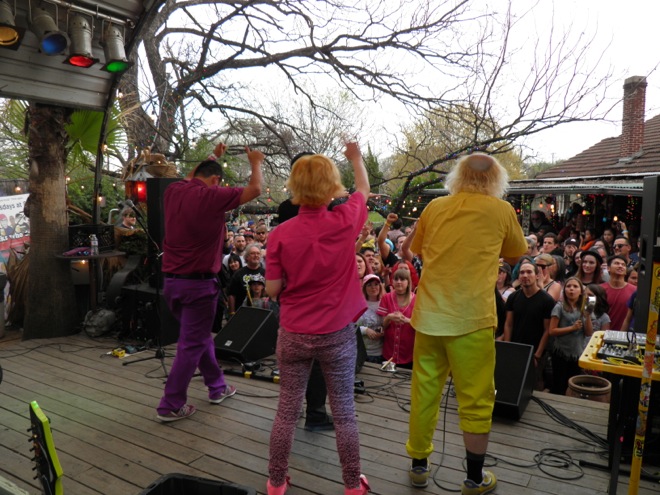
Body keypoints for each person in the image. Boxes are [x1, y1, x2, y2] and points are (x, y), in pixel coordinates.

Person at [405, 152, 527, 494]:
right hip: (472, 319)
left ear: (457, 175)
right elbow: (515, 254)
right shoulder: (502, 210)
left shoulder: (434, 207)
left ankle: (418, 467)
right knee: (476, 398)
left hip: (429, 315)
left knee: (424, 392)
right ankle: (474, 479)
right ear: (496, 179)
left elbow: (420, 249)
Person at [265, 141, 371, 495]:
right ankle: (352, 484)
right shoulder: (345, 220)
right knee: (344, 412)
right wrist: (355, 157)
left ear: (294, 186)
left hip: (293, 332)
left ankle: (276, 482)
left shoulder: (279, 234)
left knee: (286, 412)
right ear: (331, 187)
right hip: (336, 333)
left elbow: (272, 289)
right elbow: (363, 189)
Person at [156, 142, 263, 422]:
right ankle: (170, 404)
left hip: (172, 283)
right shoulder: (212, 196)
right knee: (190, 344)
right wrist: (255, 162)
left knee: (199, 336)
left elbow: (193, 175)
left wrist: (214, 155)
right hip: (198, 286)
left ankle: (217, 387)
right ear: (216, 180)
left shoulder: (173, 191)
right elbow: (255, 189)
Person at [501, 258, 555, 390]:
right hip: (516, 347)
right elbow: (508, 324)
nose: (525, 275)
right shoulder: (513, 297)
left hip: (535, 350)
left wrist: (537, 355)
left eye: (529, 272)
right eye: (522, 272)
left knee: (533, 385)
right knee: (511, 383)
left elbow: (547, 330)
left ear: (537, 275)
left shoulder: (546, 300)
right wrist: (508, 347)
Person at [549, 277, 593, 395]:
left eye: (575, 286)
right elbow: (552, 331)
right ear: (564, 290)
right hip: (561, 353)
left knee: (573, 385)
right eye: (568, 286)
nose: (571, 289)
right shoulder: (559, 307)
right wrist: (571, 328)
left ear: (581, 291)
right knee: (559, 385)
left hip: (577, 353)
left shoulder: (584, 308)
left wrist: (588, 316)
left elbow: (589, 333)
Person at [377, 268, 416, 368]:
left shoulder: (416, 300)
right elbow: (382, 326)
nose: (399, 282)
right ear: (392, 281)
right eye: (396, 279)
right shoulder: (386, 298)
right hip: (388, 352)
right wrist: (389, 317)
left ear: (408, 282)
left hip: (408, 353)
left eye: (402, 279)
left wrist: (407, 320)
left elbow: (421, 324)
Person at [601, 255, 636, 330]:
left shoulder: (635, 291)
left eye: (623, 265)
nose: (620, 266)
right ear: (608, 268)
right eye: (616, 263)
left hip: (626, 334)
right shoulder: (600, 289)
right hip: (603, 333)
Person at [357, 273, 385, 363]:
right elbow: (351, 327)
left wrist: (382, 330)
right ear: (364, 288)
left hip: (380, 352)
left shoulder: (384, 303)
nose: (373, 287)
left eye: (376, 284)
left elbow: (388, 324)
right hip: (361, 352)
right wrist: (365, 330)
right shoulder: (359, 304)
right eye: (369, 285)